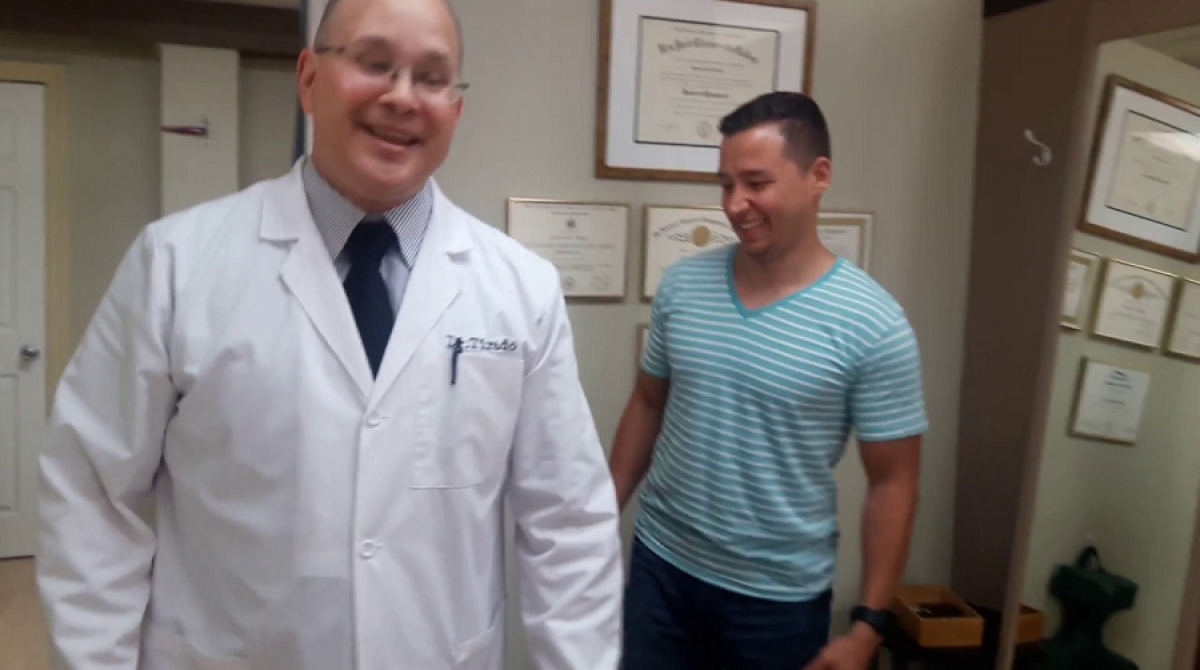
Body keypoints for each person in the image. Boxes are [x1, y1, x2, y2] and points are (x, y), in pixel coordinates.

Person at [35, 0, 624, 668]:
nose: (402, 97)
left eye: (432, 78)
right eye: (375, 63)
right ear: (310, 79)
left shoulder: (522, 287)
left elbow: (567, 520)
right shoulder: (175, 263)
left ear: (455, 110)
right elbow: (92, 494)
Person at [609, 91, 927, 670]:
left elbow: (894, 482)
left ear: (818, 176)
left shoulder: (874, 325)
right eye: (726, 184)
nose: (736, 205)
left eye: (756, 183)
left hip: (777, 602)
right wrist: (601, 512)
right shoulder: (683, 286)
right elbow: (648, 403)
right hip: (662, 570)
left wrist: (868, 626)